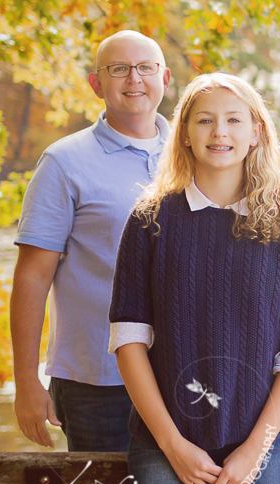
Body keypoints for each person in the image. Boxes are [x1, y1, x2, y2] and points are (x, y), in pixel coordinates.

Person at [108, 74, 280, 484]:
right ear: (183, 133)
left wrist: (256, 448)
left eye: (233, 119)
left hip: (267, 441)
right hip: (167, 441)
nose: (218, 131)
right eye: (204, 119)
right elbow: (128, 341)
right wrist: (173, 444)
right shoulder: (151, 220)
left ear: (256, 133)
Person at [11, 30, 171, 451]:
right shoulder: (64, 162)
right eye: (119, 69)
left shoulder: (195, 153)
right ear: (96, 83)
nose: (134, 78)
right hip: (96, 382)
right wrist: (26, 381)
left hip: (182, 375)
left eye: (145, 68)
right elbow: (32, 277)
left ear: (165, 79)